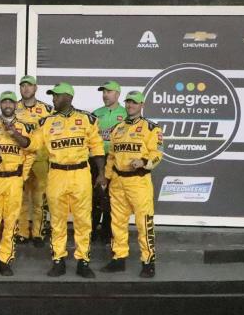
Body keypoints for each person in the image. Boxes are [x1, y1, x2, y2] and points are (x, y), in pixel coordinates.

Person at [29, 82, 105, 278]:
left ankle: (83, 261)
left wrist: (102, 173)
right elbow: (32, 144)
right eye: (52, 95)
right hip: (56, 174)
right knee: (57, 221)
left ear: (68, 98)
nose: (53, 98)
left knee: (83, 221)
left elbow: (97, 148)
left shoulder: (87, 119)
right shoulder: (45, 122)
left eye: (56, 95)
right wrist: (14, 134)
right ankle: (58, 260)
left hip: (80, 174)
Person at [101, 91, 162, 278]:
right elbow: (111, 156)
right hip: (118, 182)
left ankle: (148, 262)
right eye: (128, 102)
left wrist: (144, 162)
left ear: (141, 105)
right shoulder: (117, 128)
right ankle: (119, 258)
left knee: (144, 223)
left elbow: (157, 153)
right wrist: (106, 178)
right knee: (117, 223)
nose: (130, 106)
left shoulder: (151, 128)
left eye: (134, 103)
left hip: (139, 181)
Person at [0, 91, 33, 277]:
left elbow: (29, 148)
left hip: (14, 180)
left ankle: (5, 261)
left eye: (11, 102)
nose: (8, 105)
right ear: (0, 105)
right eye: (4, 102)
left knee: (10, 223)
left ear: (15, 105)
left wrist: (23, 176)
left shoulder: (23, 126)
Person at [15, 75, 53, 248]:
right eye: (23, 86)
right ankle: (21, 232)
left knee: (39, 199)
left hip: (40, 160)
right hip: (19, 160)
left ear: (35, 88)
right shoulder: (13, 108)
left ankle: (38, 233)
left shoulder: (47, 109)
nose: (26, 89)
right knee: (21, 199)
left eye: (29, 86)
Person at [92, 81, 126, 245]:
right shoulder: (96, 113)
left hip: (116, 160)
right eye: (103, 92)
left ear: (118, 94)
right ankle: (91, 230)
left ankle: (107, 232)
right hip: (97, 159)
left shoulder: (126, 114)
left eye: (109, 92)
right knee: (94, 196)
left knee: (112, 197)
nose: (105, 95)